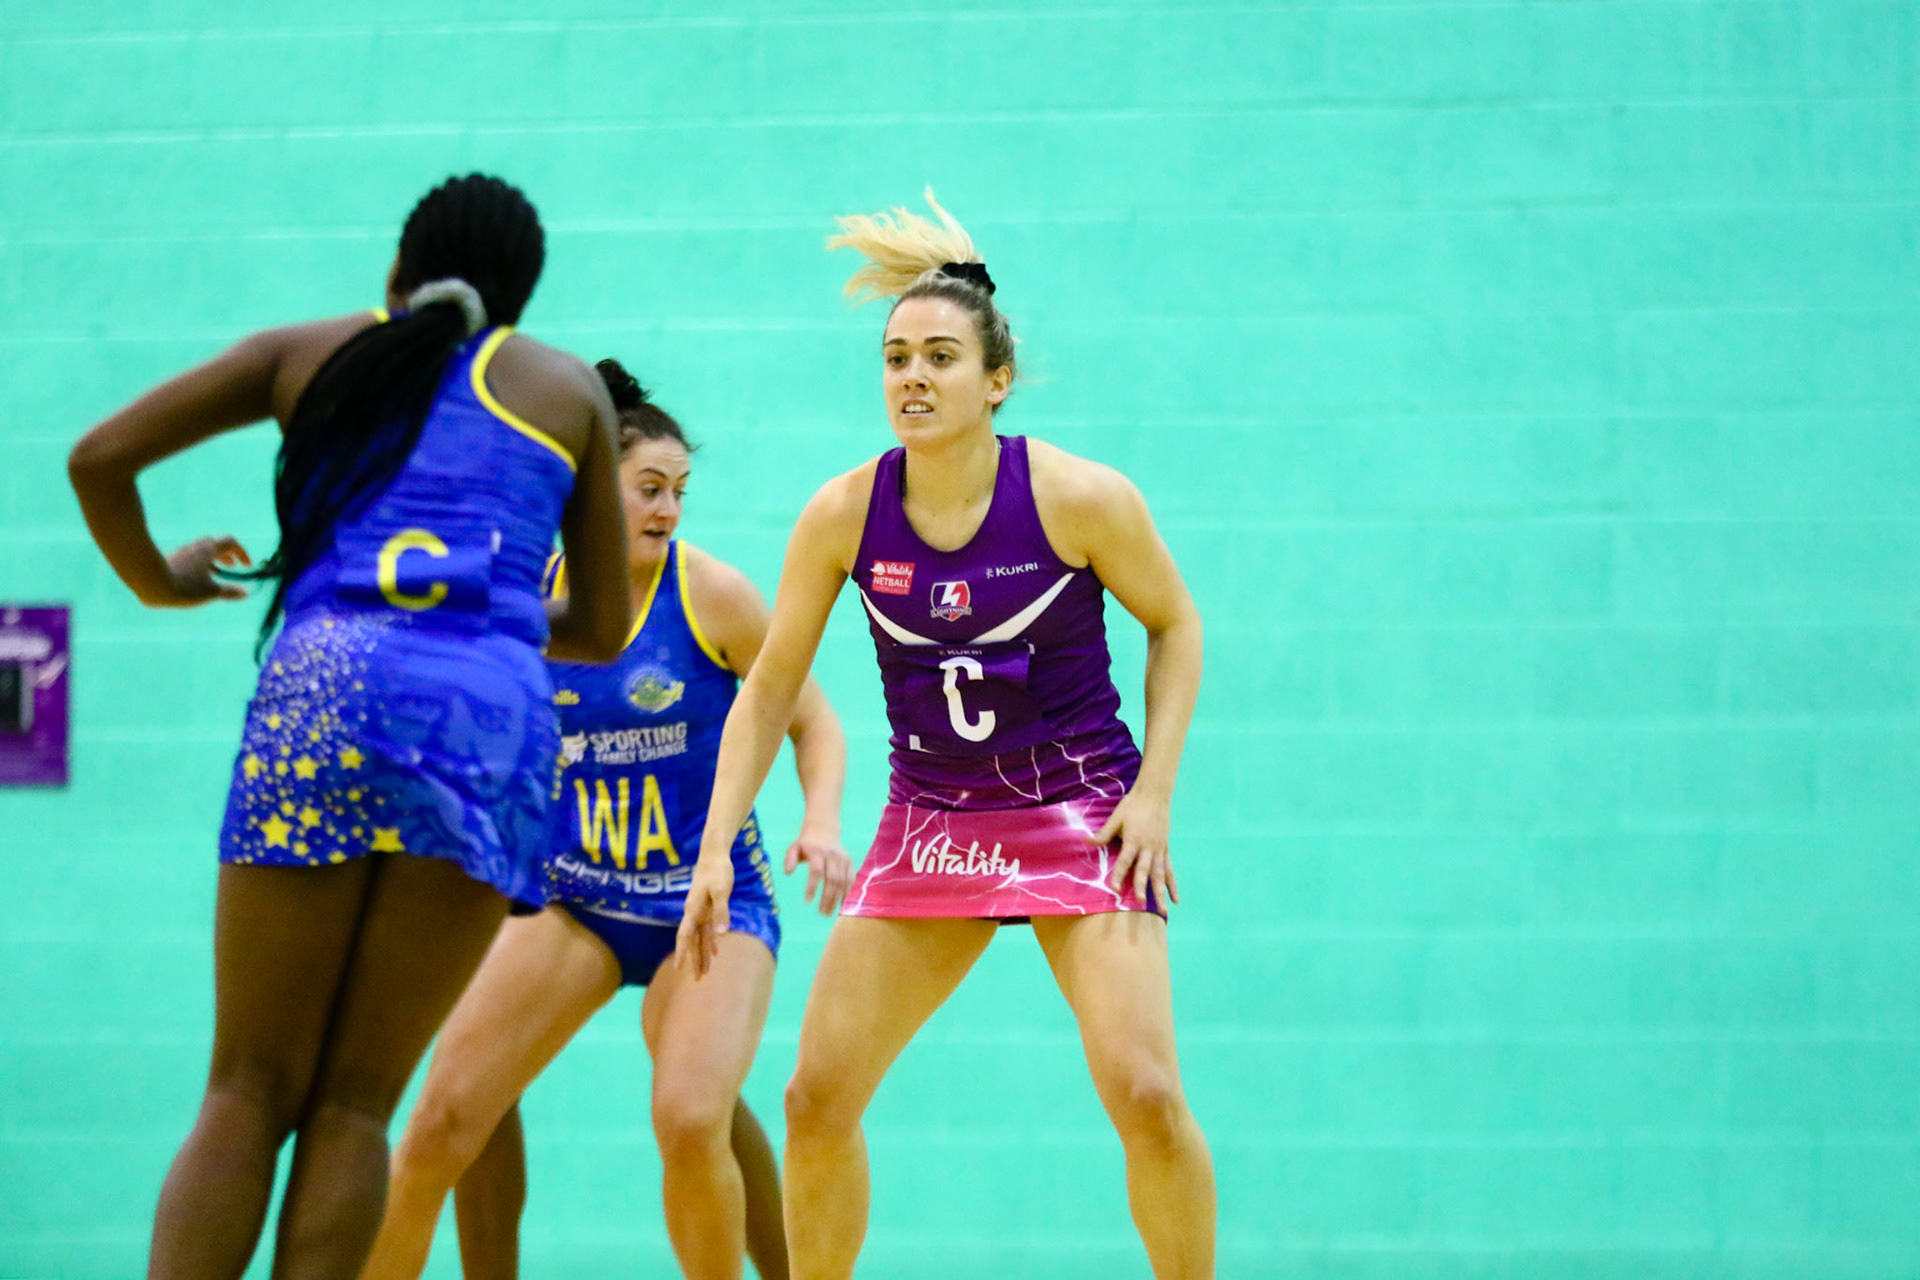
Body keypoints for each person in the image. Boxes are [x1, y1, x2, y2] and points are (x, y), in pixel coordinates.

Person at [66, 173, 633, 1280]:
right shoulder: (565, 389)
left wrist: (161, 581)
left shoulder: (305, 351)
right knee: (358, 1102)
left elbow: (97, 460)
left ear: (395, 272)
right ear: (518, 297)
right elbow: (604, 626)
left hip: (325, 688)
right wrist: (497, 613)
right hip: (487, 721)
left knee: (246, 1086)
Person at [674, 193, 1217, 1279]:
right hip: (938, 817)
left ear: (995, 379)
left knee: (1147, 1092)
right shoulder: (843, 513)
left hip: (1080, 809)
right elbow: (770, 682)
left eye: (939, 357)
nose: (912, 377)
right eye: (895, 358)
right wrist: (714, 845)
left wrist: (1153, 793)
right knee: (814, 1094)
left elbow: (1177, 624)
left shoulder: (1077, 497)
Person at [361, 362, 851, 1280]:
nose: (668, 509)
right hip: (575, 897)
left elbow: (816, 720)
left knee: (693, 1115)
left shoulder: (713, 598)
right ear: (591, 492)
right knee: (439, 1123)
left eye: (679, 492)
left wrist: (820, 820)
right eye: (648, 489)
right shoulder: (523, 590)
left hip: (707, 904)